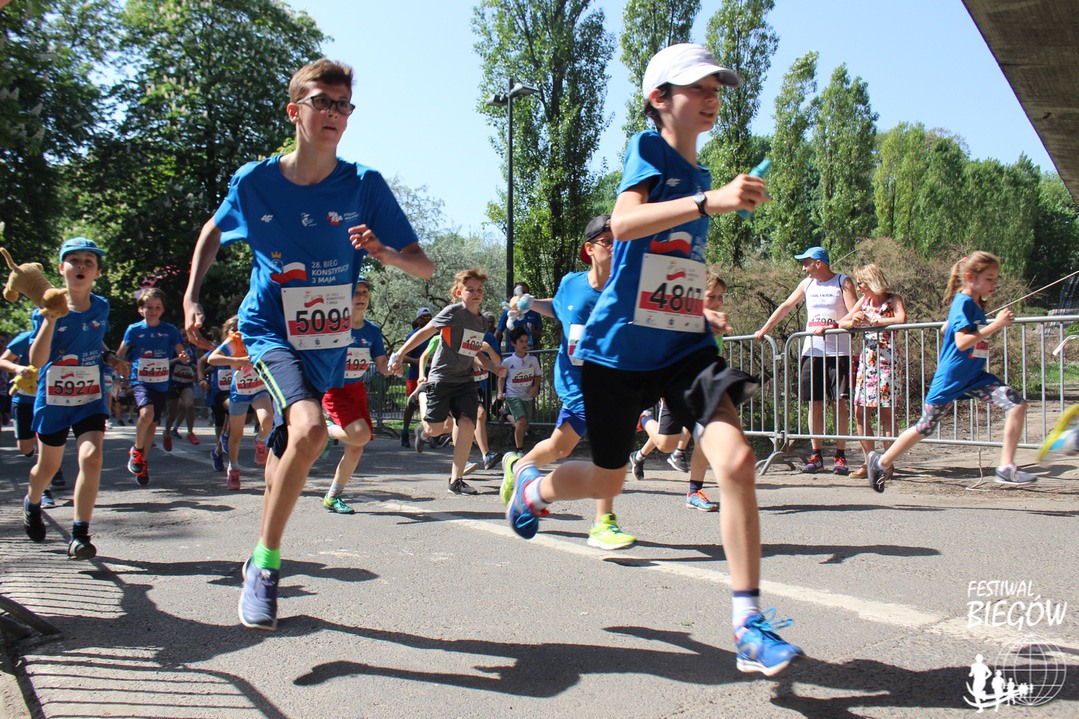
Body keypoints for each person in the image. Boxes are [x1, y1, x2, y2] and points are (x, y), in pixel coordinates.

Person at [503, 43, 801, 676]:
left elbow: (675, 263)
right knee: (607, 481)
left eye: (718, 87)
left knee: (738, 461)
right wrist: (710, 201)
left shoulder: (700, 174)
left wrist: (703, 289)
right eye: (699, 87)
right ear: (659, 98)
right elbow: (624, 223)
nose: (713, 96)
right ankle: (533, 489)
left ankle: (748, 625)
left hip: (684, 347)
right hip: (618, 353)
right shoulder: (651, 151)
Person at [183, 58, 433, 630]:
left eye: (344, 106)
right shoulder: (255, 181)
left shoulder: (365, 185)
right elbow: (213, 232)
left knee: (289, 452)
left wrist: (383, 252)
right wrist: (192, 296)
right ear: (295, 111)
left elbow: (423, 266)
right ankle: (265, 566)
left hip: (325, 339)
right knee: (313, 429)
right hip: (269, 327)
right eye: (323, 102)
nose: (335, 114)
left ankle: (262, 539)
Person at [500, 215, 637, 550]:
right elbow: (560, 307)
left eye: (620, 241)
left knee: (560, 447)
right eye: (608, 241)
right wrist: (532, 304)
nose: (615, 247)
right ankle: (603, 523)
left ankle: (519, 466)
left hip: (611, 380)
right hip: (576, 380)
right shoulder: (572, 283)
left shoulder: (628, 287)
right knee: (608, 439)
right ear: (589, 249)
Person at [866, 251, 1036, 491]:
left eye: (996, 278)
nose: (994, 284)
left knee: (1016, 404)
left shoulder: (973, 304)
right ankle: (880, 462)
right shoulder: (963, 301)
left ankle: (1006, 467)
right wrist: (997, 324)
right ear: (971, 277)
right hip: (951, 379)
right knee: (925, 427)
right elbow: (962, 342)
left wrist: (957, 324)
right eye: (989, 278)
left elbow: (947, 329)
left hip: (975, 378)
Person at [22, 237, 126, 559]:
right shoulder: (46, 308)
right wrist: (50, 320)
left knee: (91, 457)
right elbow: (37, 360)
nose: (81, 266)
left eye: (88, 262)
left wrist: (109, 356)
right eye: (74, 260)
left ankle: (80, 534)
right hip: (53, 397)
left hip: (89, 396)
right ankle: (32, 502)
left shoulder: (101, 306)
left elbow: (95, 338)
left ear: (97, 272)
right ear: (61, 268)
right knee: (47, 468)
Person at [390, 268, 503, 493]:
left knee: (468, 425)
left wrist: (492, 367)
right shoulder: (453, 313)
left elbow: (473, 352)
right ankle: (422, 394)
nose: (476, 293)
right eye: (470, 290)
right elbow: (425, 332)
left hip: (465, 381)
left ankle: (456, 481)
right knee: (433, 430)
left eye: (479, 290)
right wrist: (400, 354)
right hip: (441, 377)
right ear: (460, 292)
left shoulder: (481, 323)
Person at [754, 246, 857, 474]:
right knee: (814, 403)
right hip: (812, 351)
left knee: (838, 403)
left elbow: (854, 312)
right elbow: (786, 306)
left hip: (838, 352)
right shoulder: (807, 284)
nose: (803, 268)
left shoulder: (843, 281)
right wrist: (764, 329)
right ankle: (816, 454)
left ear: (818, 263)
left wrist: (833, 326)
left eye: (806, 262)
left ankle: (840, 455)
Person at [320, 277, 394, 514]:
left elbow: (382, 365)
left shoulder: (372, 331)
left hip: (356, 391)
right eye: (356, 292)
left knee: (356, 447)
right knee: (360, 435)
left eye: (365, 293)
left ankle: (333, 496)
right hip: (334, 390)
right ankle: (323, 431)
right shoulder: (334, 325)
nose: (361, 297)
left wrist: (393, 366)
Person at [836, 264, 906, 478]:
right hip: (867, 362)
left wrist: (878, 321)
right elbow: (842, 322)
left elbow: (901, 319)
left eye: (861, 283)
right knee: (860, 412)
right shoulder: (863, 301)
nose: (858, 287)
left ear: (872, 281)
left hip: (886, 361)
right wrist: (853, 321)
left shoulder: (893, 299)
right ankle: (869, 462)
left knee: (886, 413)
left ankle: (887, 463)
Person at [116, 287, 189, 486]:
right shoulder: (134, 330)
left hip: (161, 383)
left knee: (152, 426)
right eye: (149, 307)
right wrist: (118, 367)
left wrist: (183, 356)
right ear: (141, 309)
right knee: (146, 413)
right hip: (140, 380)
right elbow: (121, 353)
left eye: (157, 307)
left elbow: (180, 350)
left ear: (163, 309)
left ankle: (143, 462)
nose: (153, 311)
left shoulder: (169, 330)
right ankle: (137, 451)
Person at [207, 319, 274, 490]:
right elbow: (212, 359)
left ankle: (260, 441)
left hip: (259, 388)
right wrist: (241, 360)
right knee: (236, 435)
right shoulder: (235, 340)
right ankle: (233, 468)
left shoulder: (264, 336)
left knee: (267, 419)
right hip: (240, 391)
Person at [498, 327, 541, 454]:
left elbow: (538, 376)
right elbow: (501, 378)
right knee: (521, 422)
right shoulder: (507, 361)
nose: (524, 344)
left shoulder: (533, 360)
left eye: (526, 341)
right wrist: (500, 392)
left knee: (524, 425)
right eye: (521, 341)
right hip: (513, 395)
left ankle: (505, 414)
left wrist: (535, 388)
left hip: (527, 395)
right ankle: (519, 450)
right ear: (513, 343)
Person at [399, 307, 433, 447]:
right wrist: (418, 361)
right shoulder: (412, 335)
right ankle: (405, 432)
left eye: (429, 317)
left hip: (431, 375)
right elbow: (404, 356)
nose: (427, 319)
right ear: (418, 320)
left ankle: (430, 434)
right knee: (411, 404)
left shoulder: (435, 334)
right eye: (424, 317)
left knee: (431, 404)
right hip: (415, 375)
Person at [164, 342, 200, 446]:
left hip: (186, 382)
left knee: (189, 405)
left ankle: (190, 433)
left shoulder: (192, 350)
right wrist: (178, 359)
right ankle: (167, 432)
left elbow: (193, 364)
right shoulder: (172, 348)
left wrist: (198, 370)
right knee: (173, 413)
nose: (185, 339)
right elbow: (165, 364)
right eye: (183, 335)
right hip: (173, 383)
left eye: (187, 336)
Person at [495, 281, 543, 352]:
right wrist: (494, 352)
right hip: (512, 354)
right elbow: (497, 334)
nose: (521, 295)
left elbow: (539, 335)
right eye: (518, 293)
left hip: (531, 354)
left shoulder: (535, 312)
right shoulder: (508, 312)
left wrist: (533, 332)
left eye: (524, 292)